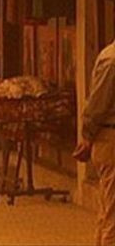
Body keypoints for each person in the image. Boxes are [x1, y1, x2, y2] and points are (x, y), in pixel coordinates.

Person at [76, 35, 115, 244]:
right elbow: (97, 106)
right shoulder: (112, 61)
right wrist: (87, 135)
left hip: (106, 137)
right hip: (110, 139)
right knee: (112, 218)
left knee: (106, 211)